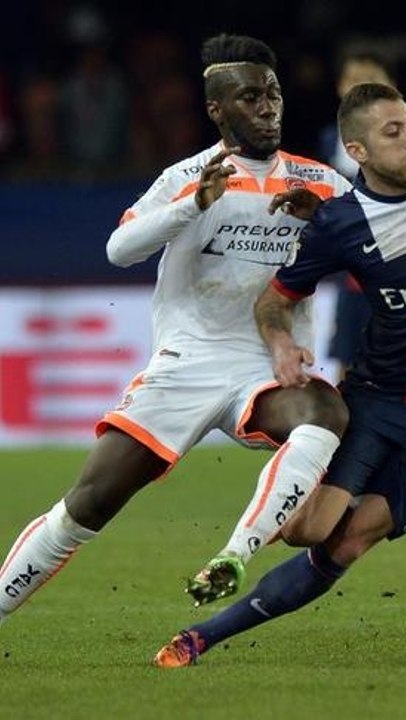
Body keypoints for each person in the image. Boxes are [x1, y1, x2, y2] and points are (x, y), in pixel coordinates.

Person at [152, 81, 406, 667]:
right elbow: (274, 302)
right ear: (359, 151)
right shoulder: (341, 225)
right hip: (381, 400)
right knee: (307, 529)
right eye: (393, 132)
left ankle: (203, 635)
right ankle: (268, 506)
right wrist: (280, 345)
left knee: (350, 538)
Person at [0, 34, 353, 625]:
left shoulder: (320, 181)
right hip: (188, 362)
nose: (267, 107)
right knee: (90, 503)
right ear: (217, 109)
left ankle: (234, 556)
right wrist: (193, 205)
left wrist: (328, 221)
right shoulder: (186, 176)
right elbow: (119, 250)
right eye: (248, 97)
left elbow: (374, 249)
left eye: (272, 94)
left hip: (268, 366)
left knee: (327, 413)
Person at [319, 52, 406, 382]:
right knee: (348, 358)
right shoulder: (331, 139)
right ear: (341, 88)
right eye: (354, 81)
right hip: (355, 269)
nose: (362, 89)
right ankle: (343, 430)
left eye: (372, 80)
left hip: (404, 264)